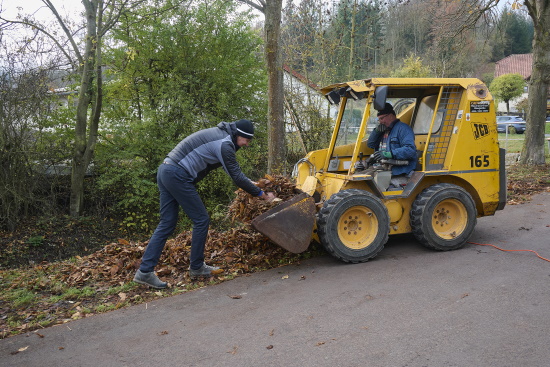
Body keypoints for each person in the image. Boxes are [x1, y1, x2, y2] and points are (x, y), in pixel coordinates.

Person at [133, 119, 275, 289]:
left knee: (167, 223)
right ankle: (197, 267)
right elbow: (237, 177)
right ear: (239, 135)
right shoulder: (225, 143)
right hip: (178, 175)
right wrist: (262, 195)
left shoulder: (222, 136)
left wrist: (252, 184)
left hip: (166, 170)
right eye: (246, 140)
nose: (246, 144)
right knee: (201, 219)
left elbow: (233, 171)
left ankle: (144, 272)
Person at [367, 103, 417, 189]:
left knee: (382, 188)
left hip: (400, 172)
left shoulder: (403, 129)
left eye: (382, 118)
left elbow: (410, 150)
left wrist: (388, 154)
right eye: (379, 120)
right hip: (385, 170)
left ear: (391, 116)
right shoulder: (383, 130)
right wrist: (377, 132)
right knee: (363, 179)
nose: (381, 122)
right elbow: (370, 144)